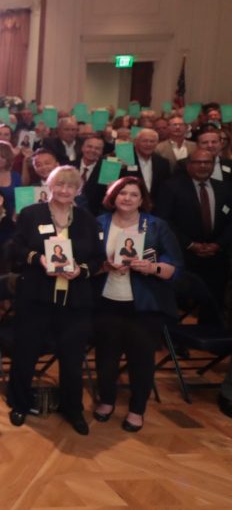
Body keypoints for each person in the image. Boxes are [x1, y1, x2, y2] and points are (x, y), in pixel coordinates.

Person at [7, 165, 103, 435]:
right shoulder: (30, 214)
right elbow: (15, 247)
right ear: (50, 186)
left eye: (70, 186)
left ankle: (72, 409)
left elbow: (97, 259)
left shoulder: (87, 219)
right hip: (36, 296)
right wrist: (36, 259)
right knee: (26, 353)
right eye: (59, 184)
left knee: (72, 359)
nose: (64, 190)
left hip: (75, 300)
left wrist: (80, 270)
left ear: (78, 190)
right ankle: (19, 404)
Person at [92, 177, 182, 432]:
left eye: (134, 194)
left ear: (142, 200)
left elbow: (176, 268)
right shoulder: (99, 223)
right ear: (113, 196)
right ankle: (107, 400)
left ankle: (136, 409)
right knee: (106, 358)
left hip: (144, 305)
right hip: (107, 300)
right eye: (122, 193)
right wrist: (105, 265)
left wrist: (151, 267)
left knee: (141, 359)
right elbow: (88, 262)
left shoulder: (156, 227)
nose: (128, 198)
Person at [155, 150, 231, 325]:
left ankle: (210, 335)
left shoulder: (225, 188)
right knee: (176, 300)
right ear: (188, 165)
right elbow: (164, 220)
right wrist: (190, 244)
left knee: (214, 299)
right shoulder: (171, 187)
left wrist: (218, 245)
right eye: (198, 162)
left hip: (216, 256)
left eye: (207, 162)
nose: (203, 166)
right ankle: (175, 340)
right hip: (182, 255)